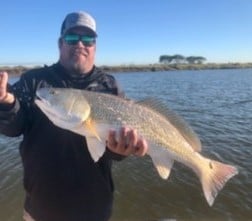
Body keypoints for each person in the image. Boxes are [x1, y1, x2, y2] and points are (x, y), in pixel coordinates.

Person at [0, 11, 148, 221]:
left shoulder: (110, 87)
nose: (80, 44)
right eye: (72, 38)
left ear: (95, 47)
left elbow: (115, 152)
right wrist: (6, 102)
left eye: (88, 39)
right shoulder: (35, 81)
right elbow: (13, 128)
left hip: (94, 209)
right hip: (40, 207)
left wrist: (122, 150)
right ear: (60, 44)